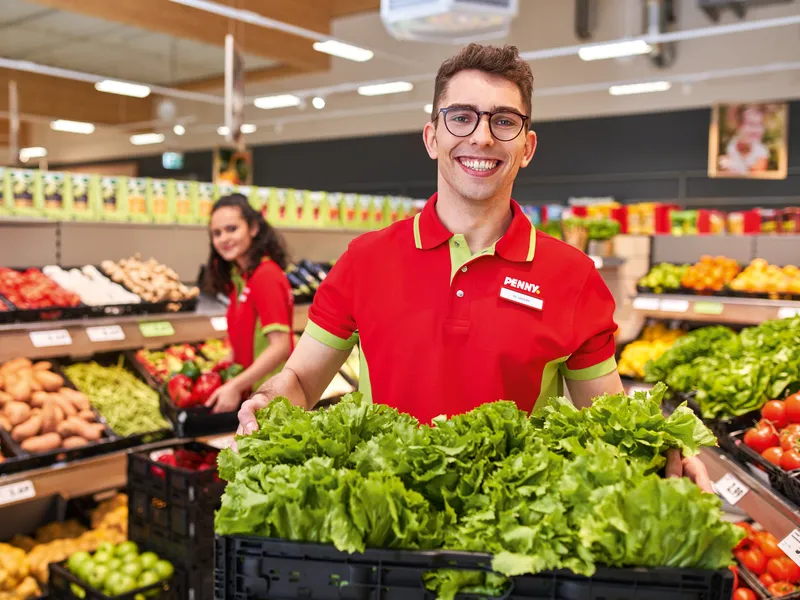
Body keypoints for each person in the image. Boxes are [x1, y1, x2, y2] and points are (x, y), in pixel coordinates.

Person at [237, 44, 711, 491]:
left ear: (526, 147)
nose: (481, 137)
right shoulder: (365, 260)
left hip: (515, 537)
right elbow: (300, 380)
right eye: (461, 117)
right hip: (384, 529)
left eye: (503, 121)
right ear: (432, 137)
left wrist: (663, 451)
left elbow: (609, 420)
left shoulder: (574, 277)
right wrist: (269, 400)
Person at [202, 194, 294, 413]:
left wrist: (235, 385)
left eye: (232, 229)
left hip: (270, 399)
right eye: (217, 233)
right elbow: (244, 343)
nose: (224, 238)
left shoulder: (266, 275)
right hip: (252, 396)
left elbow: (281, 346)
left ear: (253, 228)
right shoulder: (241, 277)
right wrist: (216, 372)